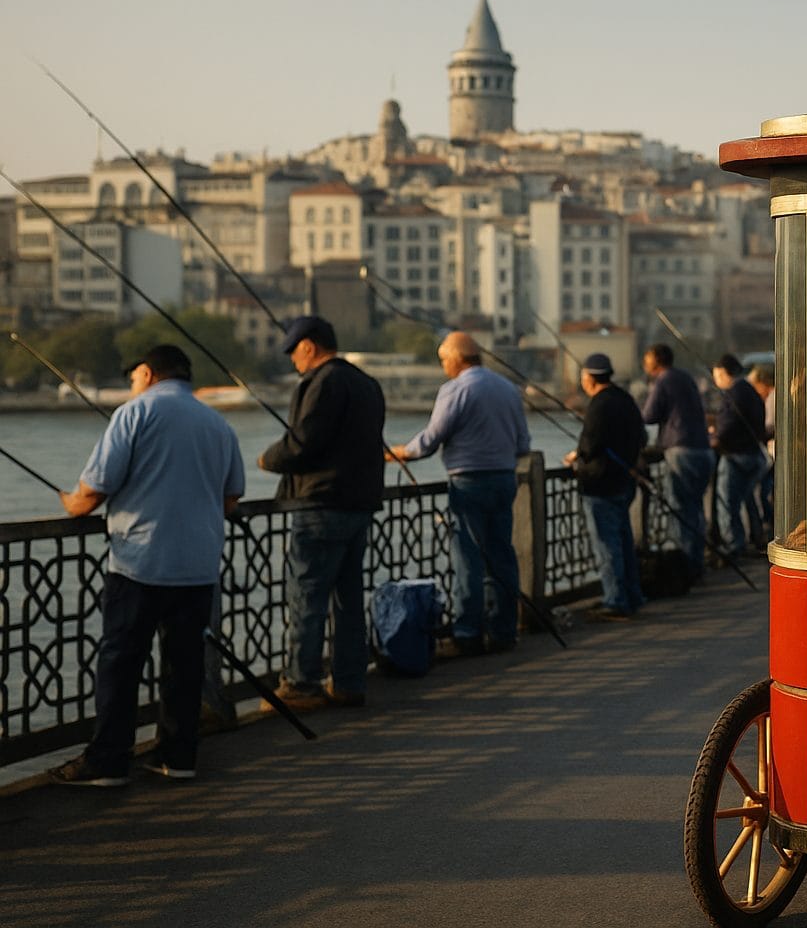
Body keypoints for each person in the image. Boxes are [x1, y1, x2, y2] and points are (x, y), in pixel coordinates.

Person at [49, 345, 244, 785]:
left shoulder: (134, 414)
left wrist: (69, 502)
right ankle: (179, 758)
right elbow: (231, 498)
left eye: (134, 377)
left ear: (147, 373)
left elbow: (92, 491)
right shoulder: (218, 424)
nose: (132, 385)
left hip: (140, 562)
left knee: (121, 662)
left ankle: (108, 761)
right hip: (198, 567)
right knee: (184, 664)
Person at [258, 315, 386, 711]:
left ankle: (302, 682)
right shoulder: (367, 384)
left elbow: (304, 443)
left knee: (307, 595)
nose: (294, 361)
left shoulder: (322, 383)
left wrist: (269, 459)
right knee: (347, 598)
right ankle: (348, 681)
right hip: (359, 503)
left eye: (294, 352)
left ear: (309, 347)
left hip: (321, 503)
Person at [390, 331, 531, 656]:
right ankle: (503, 631)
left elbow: (432, 438)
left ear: (457, 357)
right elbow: (523, 443)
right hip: (504, 479)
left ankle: (467, 632)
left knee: (468, 557)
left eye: (444, 360)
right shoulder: (508, 388)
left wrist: (402, 452)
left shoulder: (456, 389)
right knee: (501, 555)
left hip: (469, 481)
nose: (443, 367)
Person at [564, 352, 647, 620]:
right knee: (623, 541)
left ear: (589, 378)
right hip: (625, 480)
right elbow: (641, 435)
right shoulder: (626, 400)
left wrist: (576, 455)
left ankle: (615, 600)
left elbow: (589, 444)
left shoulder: (599, 404)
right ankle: (633, 596)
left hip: (601, 483)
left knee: (607, 544)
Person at [639, 343, 714, 581]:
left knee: (680, 511)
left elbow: (649, 415)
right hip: (703, 449)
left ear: (656, 361)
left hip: (681, 451)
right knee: (695, 509)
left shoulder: (663, 380)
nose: (644, 364)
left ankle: (684, 568)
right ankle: (697, 563)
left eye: (646, 359)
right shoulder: (686, 377)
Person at [710, 353, 768, 561]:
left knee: (727, 502)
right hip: (754, 453)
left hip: (735, 455)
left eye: (717, 375)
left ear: (725, 373)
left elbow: (727, 424)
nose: (715, 380)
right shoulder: (750, 391)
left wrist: (715, 439)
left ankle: (733, 545)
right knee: (748, 498)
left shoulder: (733, 394)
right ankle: (757, 537)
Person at [747, 363, 776, 541]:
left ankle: (769, 525)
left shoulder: (773, 397)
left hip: (773, 453)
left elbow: (771, 426)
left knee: (764, 491)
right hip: (771, 452)